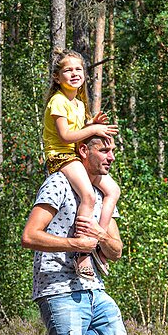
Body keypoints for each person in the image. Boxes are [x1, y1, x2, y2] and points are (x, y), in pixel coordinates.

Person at [21, 135, 135, 335]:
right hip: (58, 287)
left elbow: (117, 249)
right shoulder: (59, 183)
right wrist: (75, 244)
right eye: (104, 150)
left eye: (113, 151)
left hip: (94, 287)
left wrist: (100, 235)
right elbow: (29, 235)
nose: (110, 157)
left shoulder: (101, 194)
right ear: (84, 150)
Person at [42, 51, 120, 278]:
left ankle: (98, 238)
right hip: (62, 156)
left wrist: (91, 123)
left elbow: (80, 130)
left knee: (113, 190)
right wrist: (94, 129)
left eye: (78, 69)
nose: (74, 73)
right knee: (88, 195)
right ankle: (82, 250)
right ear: (57, 77)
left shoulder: (77, 103)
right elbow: (66, 136)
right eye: (68, 70)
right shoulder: (58, 101)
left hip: (76, 154)